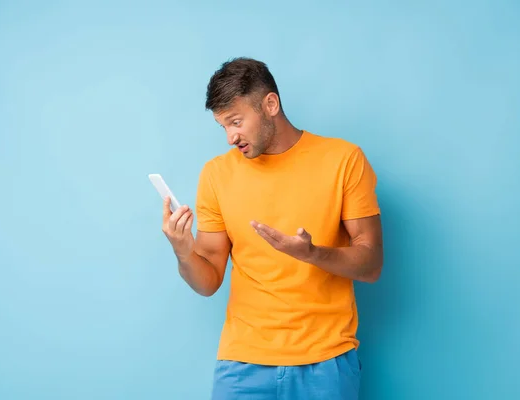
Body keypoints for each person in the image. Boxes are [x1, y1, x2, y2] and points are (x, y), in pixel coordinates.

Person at [160, 57, 383, 400]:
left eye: (236, 122)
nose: (231, 137)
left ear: (270, 104)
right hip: (242, 363)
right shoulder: (217, 175)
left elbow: (371, 265)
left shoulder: (343, 160)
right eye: (223, 126)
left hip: (326, 361)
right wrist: (183, 250)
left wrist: (311, 253)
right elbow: (207, 282)